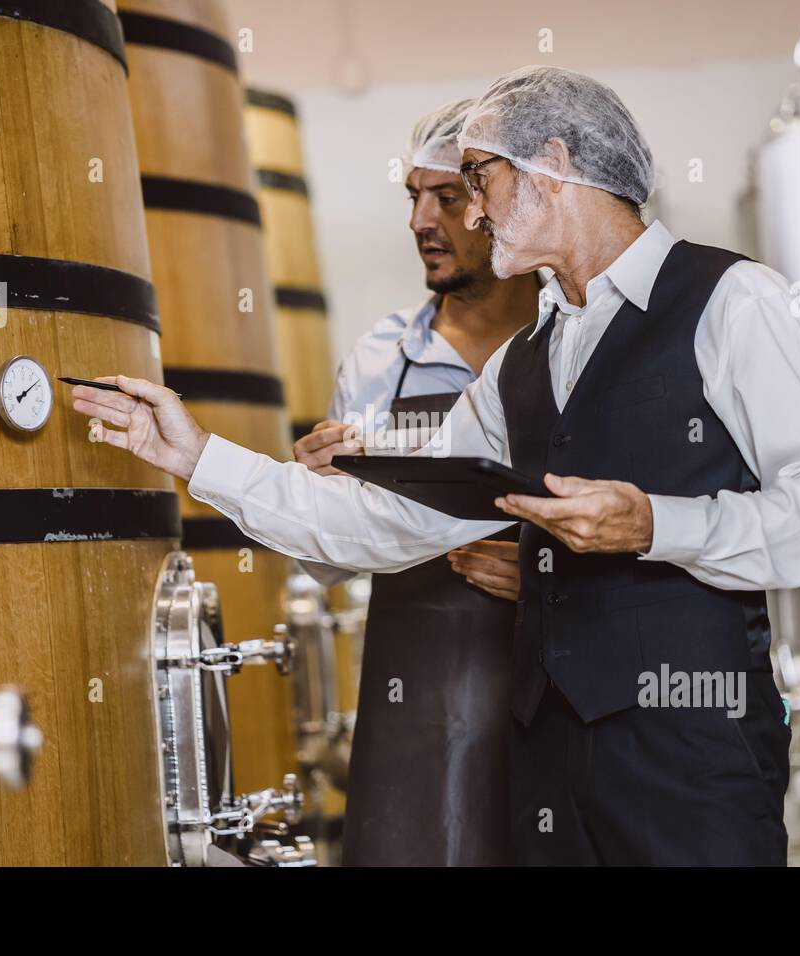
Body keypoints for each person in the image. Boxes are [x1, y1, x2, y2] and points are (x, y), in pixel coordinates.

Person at [71, 66, 800, 866]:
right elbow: (383, 521)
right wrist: (197, 455)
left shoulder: (735, 299)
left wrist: (654, 524)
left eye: (478, 179)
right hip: (546, 757)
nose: (473, 210)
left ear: (555, 165)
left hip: (693, 756)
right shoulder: (521, 363)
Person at [291, 100, 540, 866]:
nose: (419, 222)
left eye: (448, 198)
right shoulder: (379, 359)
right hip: (416, 710)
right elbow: (328, 562)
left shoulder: (573, 345)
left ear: (503, 203)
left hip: (557, 695)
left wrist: (559, 572)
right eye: (412, 197)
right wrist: (317, 489)